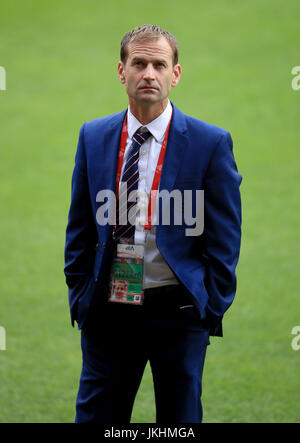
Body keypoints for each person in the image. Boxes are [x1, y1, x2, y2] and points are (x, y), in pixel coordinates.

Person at [64, 24, 242, 423]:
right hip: (109, 310)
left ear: (174, 74)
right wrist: (81, 295)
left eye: (159, 64)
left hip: (178, 312)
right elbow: (78, 225)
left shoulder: (210, 143)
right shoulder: (93, 136)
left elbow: (225, 236)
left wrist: (209, 307)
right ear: (121, 70)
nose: (149, 73)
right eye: (139, 63)